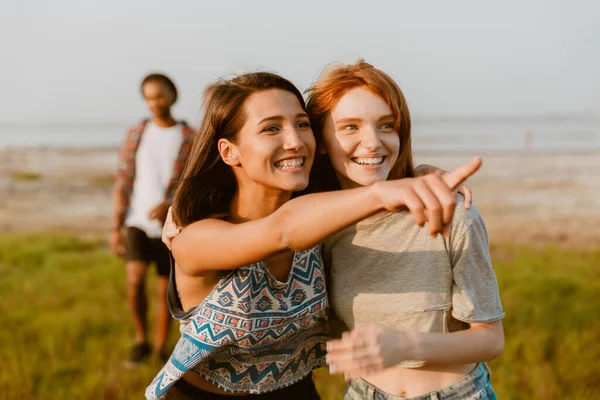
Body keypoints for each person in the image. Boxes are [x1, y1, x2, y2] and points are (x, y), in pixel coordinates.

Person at [145, 71, 481, 399]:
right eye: (271, 128)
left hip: (297, 391)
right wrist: (384, 192)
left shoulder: (320, 212)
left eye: (302, 124)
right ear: (229, 151)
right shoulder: (196, 238)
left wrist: (418, 174)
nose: (295, 141)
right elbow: (282, 231)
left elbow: (357, 171)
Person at [306, 60, 504, 400]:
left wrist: (405, 344)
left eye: (386, 126)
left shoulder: (452, 215)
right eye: (350, 127)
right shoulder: (319, 224)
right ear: (320, 140)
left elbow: (490, 338)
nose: (372, 143)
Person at [111, 73, 194, 367]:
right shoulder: (137, 133)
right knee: (134, 281)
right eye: (149, 97)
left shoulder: (189, 137)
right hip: (136, 220)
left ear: (173, 95)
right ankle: (141, 341)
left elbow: (193, 182)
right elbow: (123, 179)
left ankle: (160, 349)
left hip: (170, 225)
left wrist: (171, 203)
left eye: (160, 95)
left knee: (164, 290)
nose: (155, 102)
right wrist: (115, 226)